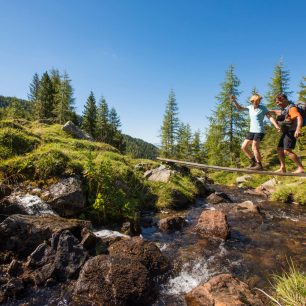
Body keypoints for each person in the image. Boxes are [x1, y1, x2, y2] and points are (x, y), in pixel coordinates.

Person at [231, 94, 280, 170]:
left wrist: (276, 126)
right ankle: (254, 162)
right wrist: (234, 100)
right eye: (256, 101)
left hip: (259, 131)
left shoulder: (263, 108)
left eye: (259, 100)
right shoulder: (249, 107)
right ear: (252, 101)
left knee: (254, 147)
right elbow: (239, 108)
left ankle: (259, 165)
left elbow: (270, 117)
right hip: (252, 131)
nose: (258, 102)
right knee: (244, 147)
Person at [272, 93, 305, 173]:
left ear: (284, 100)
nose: (277, 104)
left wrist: (298, 129)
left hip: (292, 131)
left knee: (287, 150)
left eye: (279, 102)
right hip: (287, 131)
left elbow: (299, 117)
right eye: (276, 102)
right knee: (280, 149)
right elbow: (277, 112)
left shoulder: (291, 108)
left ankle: (301, 168)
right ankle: (282, 167)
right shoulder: (285, 109)